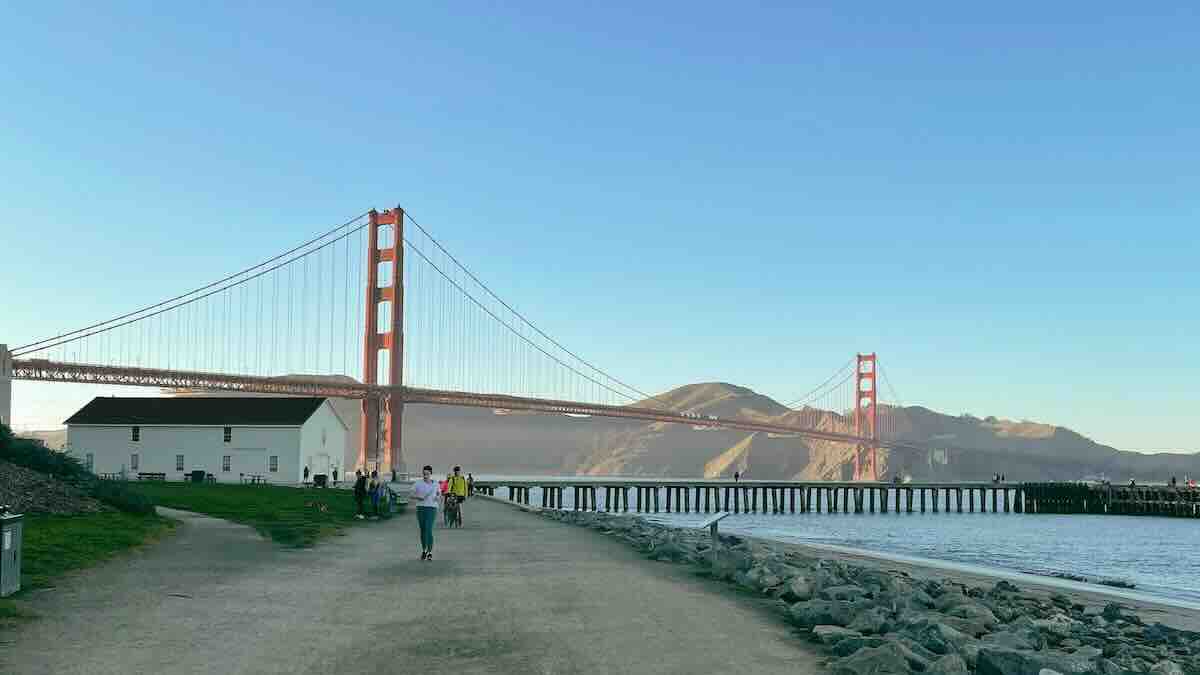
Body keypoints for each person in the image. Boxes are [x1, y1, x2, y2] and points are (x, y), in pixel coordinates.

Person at [411, 465, 439, 561]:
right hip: (421, 508)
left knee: (428, 529)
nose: (425, 476)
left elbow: (439, 493)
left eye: (427, 474)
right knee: (423, 530)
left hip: (432, 508)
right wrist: (418, 497)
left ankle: (430, 552)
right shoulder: (418, 483)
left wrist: (437, 497)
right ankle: (424, 550)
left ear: (431, 474)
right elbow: (411, 494)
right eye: (424, 474)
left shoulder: (436, 484)